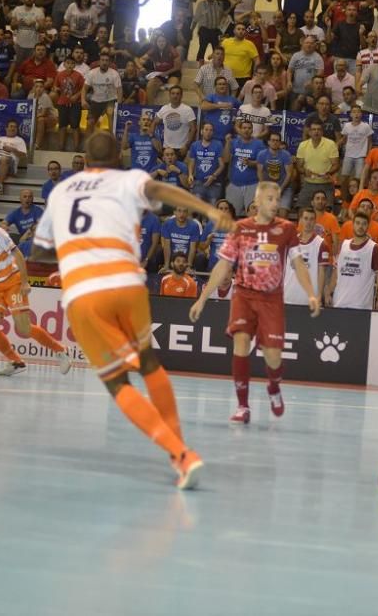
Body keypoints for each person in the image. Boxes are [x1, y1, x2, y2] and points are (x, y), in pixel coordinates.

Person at [31, 131, 231, 489]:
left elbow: (40, 253)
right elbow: (159, 191)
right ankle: (179, 450)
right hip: (127, 281)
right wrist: (208, 209)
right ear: (119, 156)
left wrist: (72, 251)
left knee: (117, 382)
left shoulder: (61, 191)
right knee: (150, 362)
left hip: (85, 292)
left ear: (85, 160)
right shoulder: (129, 179)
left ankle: (182, 454)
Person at [190, 182, 321, 424]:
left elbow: (298, 264)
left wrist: (312, 293)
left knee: (273, 356)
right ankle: (242, 406)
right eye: (270, 199)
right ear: (257, 203)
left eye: (278, 199)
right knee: (241, 341)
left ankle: (273, 386)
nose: (276, 204)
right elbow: (223, 265)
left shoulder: (287, 229)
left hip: (271, 299)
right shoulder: (240, 229)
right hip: (243, 294)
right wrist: (202, 298)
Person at [0, 223, 72, 377]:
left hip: (14, 281)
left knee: (24, 328)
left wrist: (25, 281)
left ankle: (60, 350)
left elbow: (18, 254)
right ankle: (15, 361)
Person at [325, 210, 378, 310]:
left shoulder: (373, 248)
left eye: (364, 224)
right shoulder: (343, 245)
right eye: (357, 223)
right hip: (339, 302)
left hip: (361, 305)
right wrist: (329, 292)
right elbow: (336, 272)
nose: (360, 227)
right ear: (352, 225)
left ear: (368, 226)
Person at [284, 206, 331, 306]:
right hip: (287, 296)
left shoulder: (321, 244)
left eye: (311, 219)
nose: (308, 222)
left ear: (315, 222)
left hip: (307, 300)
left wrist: (319, 297)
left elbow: (322, 273)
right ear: (300, 220)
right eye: (305, 218)